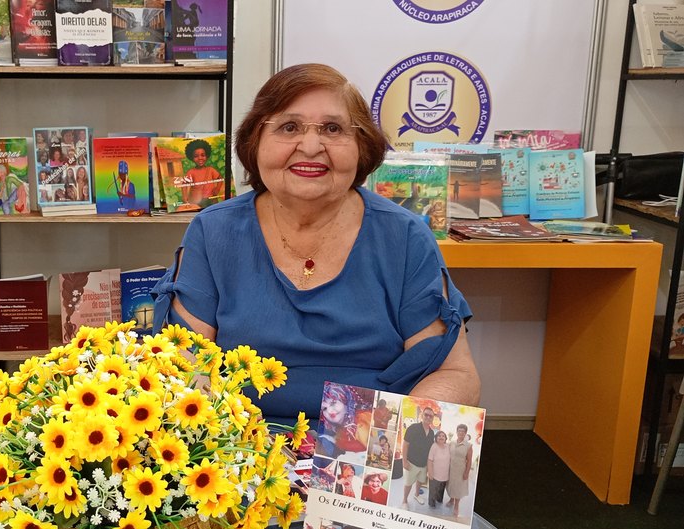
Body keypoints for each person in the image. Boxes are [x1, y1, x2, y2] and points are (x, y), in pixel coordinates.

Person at [151, 63, 479, 426]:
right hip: (240, 445)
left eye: (333, 129)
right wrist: (229, 449)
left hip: (368, 447)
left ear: (362, 147)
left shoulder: (404, 237)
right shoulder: (213, 232)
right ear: (254, 142)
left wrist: (390, 450)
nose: (310, 146)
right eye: (289, 127)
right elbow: (185, 366)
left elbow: (455, 375)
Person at [402, 407, 435, 507]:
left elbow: (430, 449)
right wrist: (404, 461)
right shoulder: (413, 428)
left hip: (423, 464)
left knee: (420, 481)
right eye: (426, 414)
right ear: (422, 415)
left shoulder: (432, 432)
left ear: (433, 418)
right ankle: (404, 501)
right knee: (408, 483)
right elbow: (405, 445)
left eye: (431, 416)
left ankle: (416, 495)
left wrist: (429, 467)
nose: (428, 417)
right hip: (411, 462)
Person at [181, 139, 223, 208]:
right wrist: (184, 197)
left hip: (211, 199)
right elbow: (184, 185)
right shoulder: (191, 172)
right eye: (196, 156)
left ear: (207, 156)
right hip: (196, 201)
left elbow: (220, 178)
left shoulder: (210, 170)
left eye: (203, 155)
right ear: (192, 158)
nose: (200, 158)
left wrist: (217, 188)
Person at [446, 423, 473, 517]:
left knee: (458, 488)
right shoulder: (451, 443)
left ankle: (456, 506)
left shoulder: (468, 446)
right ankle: (451, 499)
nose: (461, 432)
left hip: (460, 470)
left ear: (465, 433)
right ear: (456, 432)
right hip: (451, 469)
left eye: (463, 431)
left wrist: (466, 473)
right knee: (451, 486)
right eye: (459, 430)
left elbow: (469, 461)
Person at [426, 430, 450, 508]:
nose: (441, 437)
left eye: (443, 436)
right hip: (435, 474)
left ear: (445, 438)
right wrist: (430, 472)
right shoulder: (434, 446)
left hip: (445, 474)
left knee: (441, 490)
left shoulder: (448, 446)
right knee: (433, 490)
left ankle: (439, 500)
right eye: (439, 436)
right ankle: (432, 504)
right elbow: (430, 460)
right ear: (436, 438)